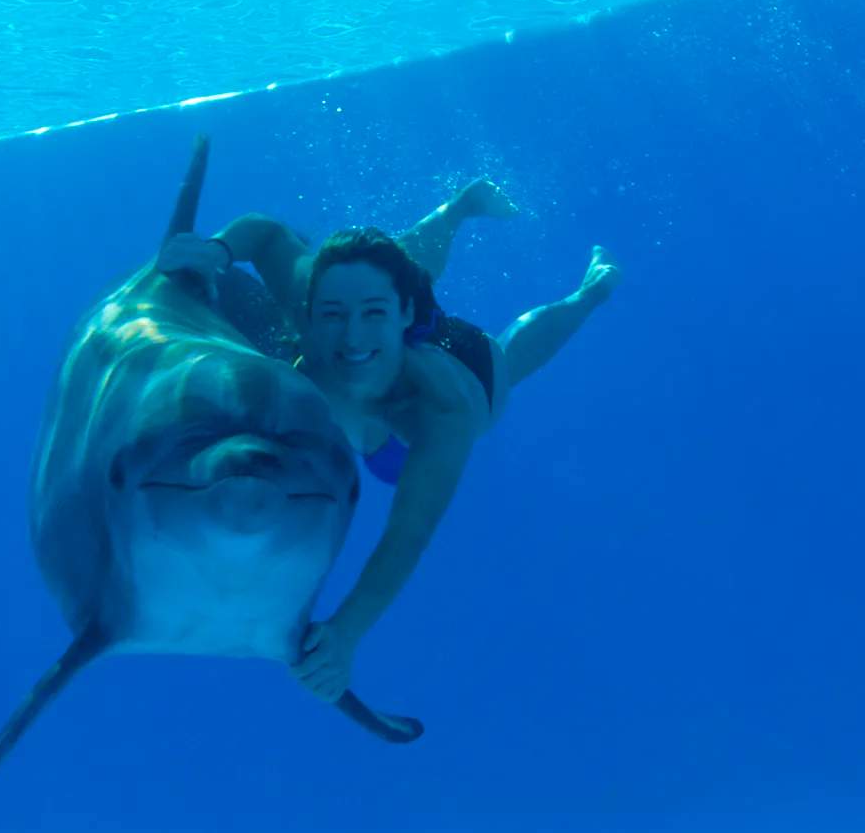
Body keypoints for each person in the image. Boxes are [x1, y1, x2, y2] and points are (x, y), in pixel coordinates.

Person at [157, 179, 619, 707]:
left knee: (508, 360)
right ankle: (461, 205)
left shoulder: (445, 412)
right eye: (332, 314)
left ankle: (592, 292)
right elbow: (264, 234)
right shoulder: (314, 294)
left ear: (405, 316)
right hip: (360, 364)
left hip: (461, 375)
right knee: (387, 269)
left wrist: (346, 632)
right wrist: (216, 251)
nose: (352, 338)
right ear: (311, 306)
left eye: (374, 315)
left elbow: (409, 533)